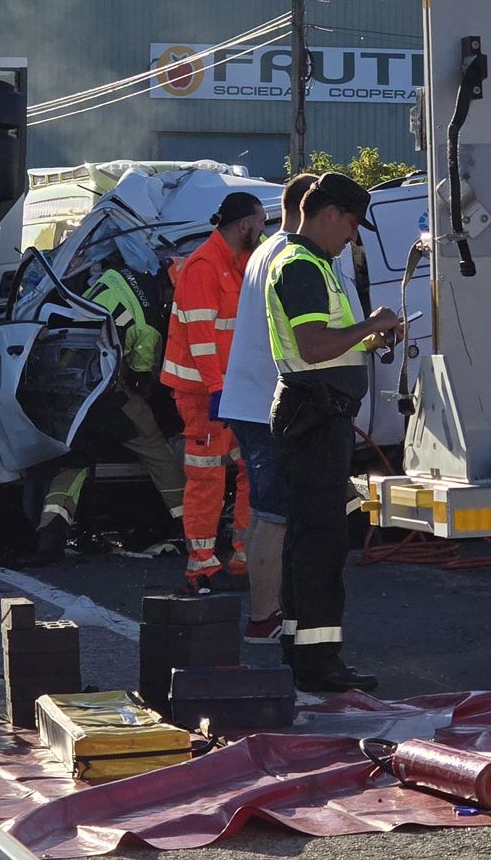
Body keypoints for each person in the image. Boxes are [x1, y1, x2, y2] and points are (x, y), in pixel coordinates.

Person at [265, 172, 402, 693]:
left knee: (309, 536)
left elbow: (327, 347)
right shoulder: (301, 265)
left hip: (315, 414)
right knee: (321, 541)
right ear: (328, 215)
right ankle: (320, 663)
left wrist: (366, 341)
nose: (352, 237)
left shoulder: (313, 263)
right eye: (350, 224)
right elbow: (316, 347)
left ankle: (303, 651)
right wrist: (372, 324)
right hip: (315, 417)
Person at [217, 173, 338, 642]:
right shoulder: (291, 256)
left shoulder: (265, 250)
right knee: (275, 512)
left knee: (273, 510)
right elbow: (309, 338)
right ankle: (264, 616)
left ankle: (271, 610)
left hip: (254, 399)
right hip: (269, 402)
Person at [15, 265, 186, 567]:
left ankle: (50, 538)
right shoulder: (147, 326)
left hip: (72, 388)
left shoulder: (116, 275)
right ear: (171, 292)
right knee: (159, 453)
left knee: (75, 462)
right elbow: (140, 378)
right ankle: (188, 526)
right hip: (110, 395)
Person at [161, 191, 266, 593]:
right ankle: (201, 566)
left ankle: (242, 557)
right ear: (244, 226)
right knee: (207, 476)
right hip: (203, 393)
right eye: (259, 223)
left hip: (228, 389)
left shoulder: (235, 263)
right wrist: (218, 388)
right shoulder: (205, 266)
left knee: (249, 471)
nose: (262, 230)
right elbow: (201, 339)